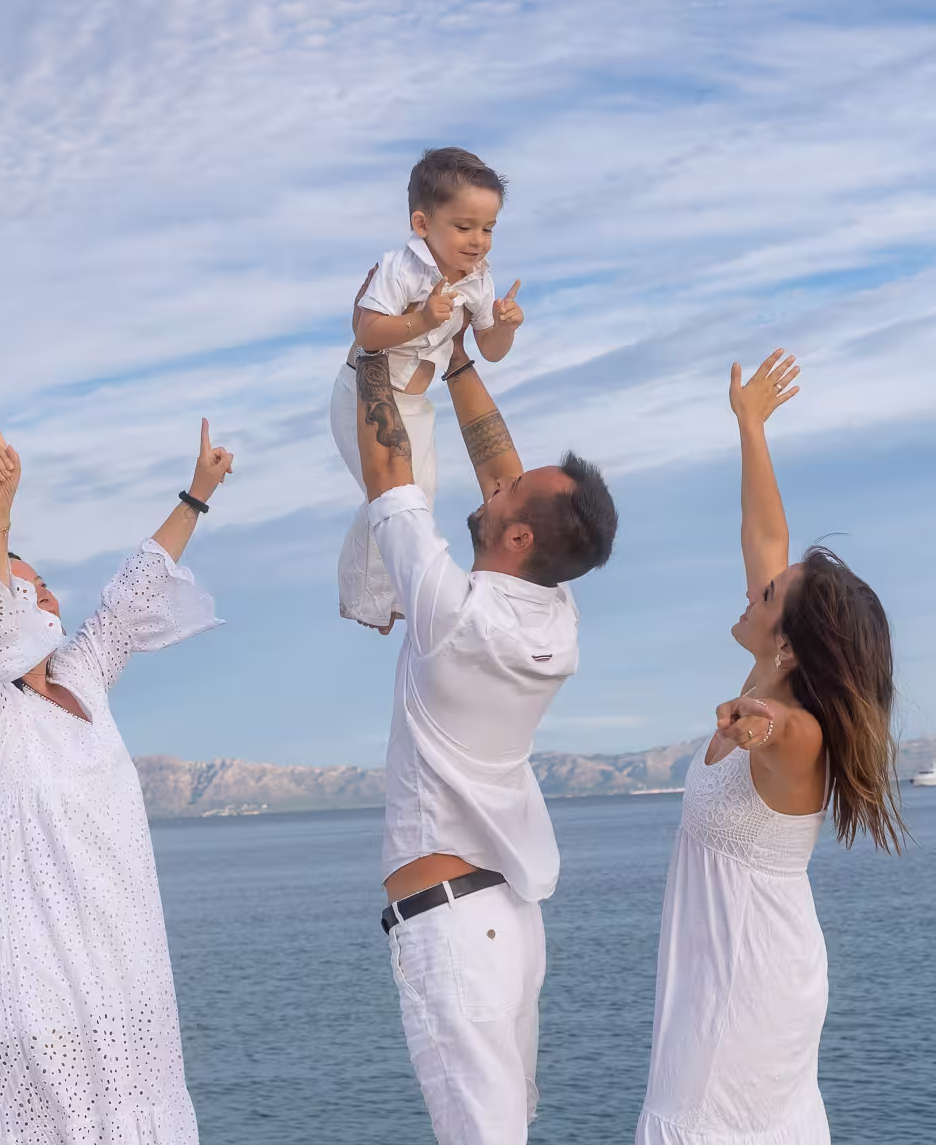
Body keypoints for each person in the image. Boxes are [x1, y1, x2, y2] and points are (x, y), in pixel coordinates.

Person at [0, 413, 233, 1145]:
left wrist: (196, 494)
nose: (49, 602)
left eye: (47, 587)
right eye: (30, 592)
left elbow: (131, 597)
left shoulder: (83, 678)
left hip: (127, 966)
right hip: (38, 982)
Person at [353, 323, 619, 1144]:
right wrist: (461, 359)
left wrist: (375, 351)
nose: (493, 486)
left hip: (456, 931)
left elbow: (387, 471)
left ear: (518, 539)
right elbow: (506, 473)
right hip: (507, 919)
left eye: (507, 495)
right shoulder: (556, 618)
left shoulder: (456, 617)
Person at [636, 350, 907, 1145]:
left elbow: (774, 734)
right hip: (731, 971)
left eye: (765, 594)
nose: (752, 588)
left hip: (746, 984)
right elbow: (766, 531)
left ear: (789, 645)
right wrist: (750, 425)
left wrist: (750, 724)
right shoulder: (772, 665)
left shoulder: (797, 732)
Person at [330, 146, 526, 631]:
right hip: (363, 394)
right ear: (422, 223)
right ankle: (369, 598)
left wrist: (504, 327)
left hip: (416, 404)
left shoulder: (479, 281)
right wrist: (420, 318)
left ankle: (376, 594)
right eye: (464, 227)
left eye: (488, 229)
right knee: (396, 495)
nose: (478, 241)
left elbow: (487, 349)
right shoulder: (400, 268)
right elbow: (367, 332)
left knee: (422, 496)